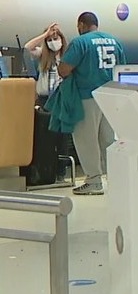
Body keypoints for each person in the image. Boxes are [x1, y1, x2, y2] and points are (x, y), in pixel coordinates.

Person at [57, 12, 127, 195]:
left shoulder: (80, 42)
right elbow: (122, 68)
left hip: (87, 96)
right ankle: (117, 179)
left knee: (86, 139)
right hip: (110, 96)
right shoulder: (114, 41)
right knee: (108, 140)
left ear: (81, 24)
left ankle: (94, 180)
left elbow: (64, 69)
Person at [24, 23, 68, 103]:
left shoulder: (67, 55)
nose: (53, 42)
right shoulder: (42, 53)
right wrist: (46, 34)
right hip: (44, 99)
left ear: (61, 39)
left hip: (60, 99)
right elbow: (27, 48)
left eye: (55, 39)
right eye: (49, 40)